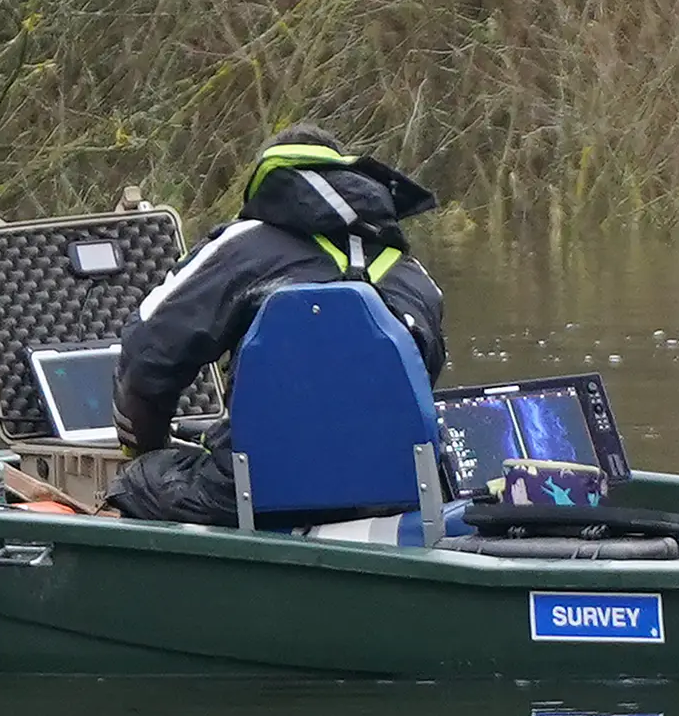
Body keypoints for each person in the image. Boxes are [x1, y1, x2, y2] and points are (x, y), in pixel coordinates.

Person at [107, 127, 448, 525]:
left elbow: (145, 356)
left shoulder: (244, 246)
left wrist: (146, 448)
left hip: (252, 492)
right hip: (396, 495)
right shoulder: (413, 275)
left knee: (135, 483)